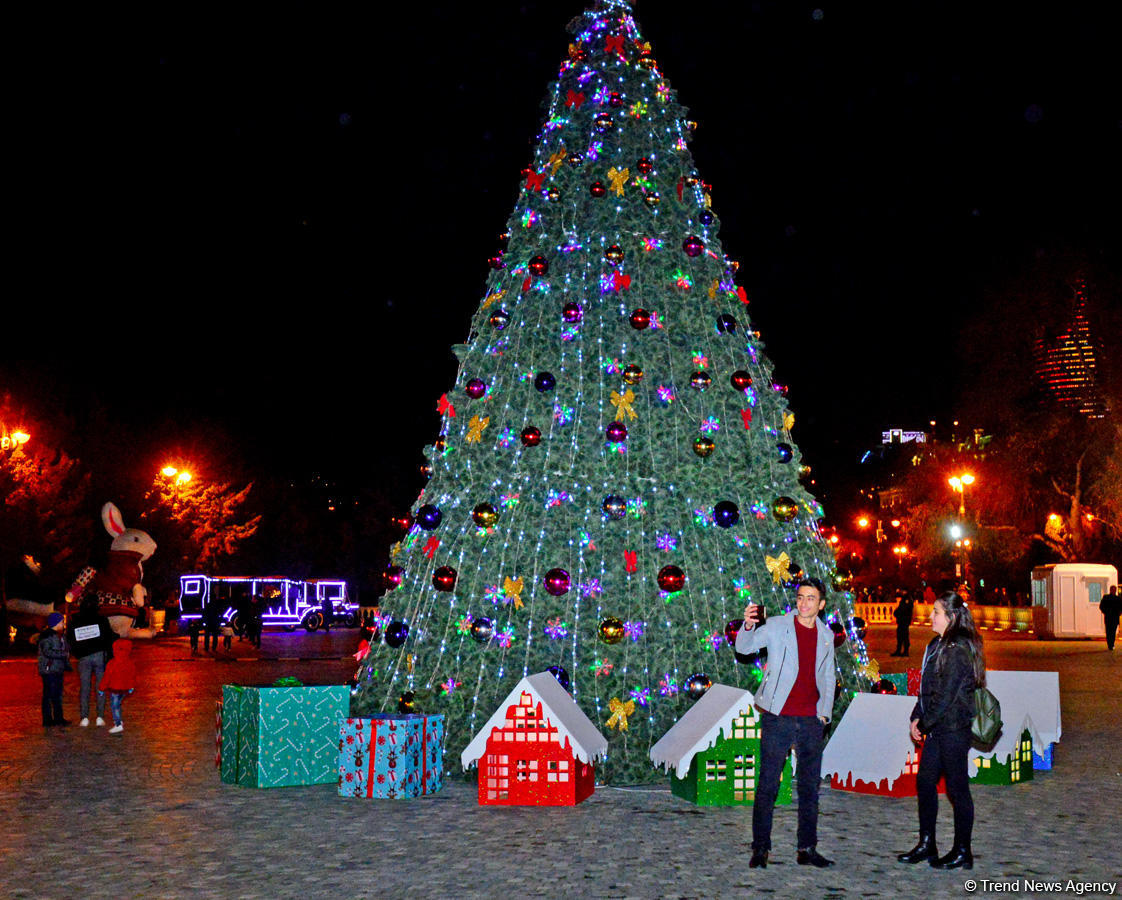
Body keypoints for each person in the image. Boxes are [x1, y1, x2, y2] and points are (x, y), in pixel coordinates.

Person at [735, 577, 836, 869]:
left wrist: (824, 713)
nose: (804, 603)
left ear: (821, 604)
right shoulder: (778, 625)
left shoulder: (826, 636)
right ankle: (760, 848)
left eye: (811, 598)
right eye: (801, 597)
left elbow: (828, 677)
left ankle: (807, 848)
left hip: (811, 720)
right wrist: (749, 625)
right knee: (767, 784)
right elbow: (745, 648)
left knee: (808, 788)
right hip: (778, 716)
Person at [897, 591, 985, 870]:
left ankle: (962, 850)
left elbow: (945, 696)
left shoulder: (958, 648)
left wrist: (923, 723)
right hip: (937, 728)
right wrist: (916, 716)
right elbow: (927, 689)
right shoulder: (937, 644)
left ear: (952, 617)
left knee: (958, 790)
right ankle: (927, 843)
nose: (930, 615)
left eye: (936, 611)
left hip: (953, 729)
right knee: (925, 782)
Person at [68, 595, 116, 726]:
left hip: (83, 657)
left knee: (84, 687)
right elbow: (109, 637)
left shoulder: (75, 619)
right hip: (99, 656)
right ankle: (100, 716)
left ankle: (84, 717)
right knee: (100, 687)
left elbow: (70, 639)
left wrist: (77, 653)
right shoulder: (101, 619)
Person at [38, 612, 71, 726]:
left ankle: (58, 718)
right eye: (62, 621)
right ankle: (47, 719)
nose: (63, 624)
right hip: (49, 669)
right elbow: (47, 651)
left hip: (57, 669)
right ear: (56, 623)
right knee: (48, 695)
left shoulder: (60, 635)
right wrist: (63, 654)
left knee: (57, 694)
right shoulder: (47, 636)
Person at [98, 638, 137, 734]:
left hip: (115, 689)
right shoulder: (130, 663)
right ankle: (119, 720)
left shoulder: (112, 663)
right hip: (125, 689)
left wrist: (101, 688)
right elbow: (132, 676)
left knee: (114, 706)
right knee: (118, 704)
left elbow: (106, 677)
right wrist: (131, 687)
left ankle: (118, 724)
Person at [892, 591, 914, 656]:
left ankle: (905, 651)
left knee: (904, 636)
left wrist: (897, 613)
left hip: (904, 621)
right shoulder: (905, 599)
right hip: (902, 620)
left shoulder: (907, 600)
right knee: (900, 636)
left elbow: (903, 609)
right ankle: (899, 650)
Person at [1100, 585, 1120, 651]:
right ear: (1111, 590)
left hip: (1113, 617)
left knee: (1112, 631)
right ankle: (1110, 644)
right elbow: (1101, 606)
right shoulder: (1106, 597)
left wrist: (1119, 613)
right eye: (1113, 589)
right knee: (1109, 631)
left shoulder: (1118, 598)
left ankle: (1111, 644)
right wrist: (1106, 612)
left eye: (1115, 590)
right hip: (1110, 617)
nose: (1114, 591)